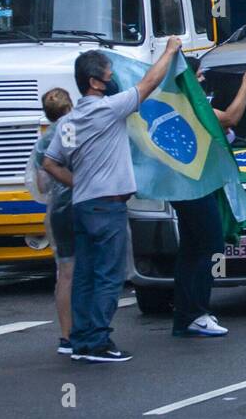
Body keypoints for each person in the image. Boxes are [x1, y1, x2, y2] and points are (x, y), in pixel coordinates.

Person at [42, 37, 184, 363]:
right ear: (94, 83)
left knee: (84, 275)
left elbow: (50, 163)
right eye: (109, 77)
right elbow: (149, 83)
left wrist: (78, 183)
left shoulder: (69, 122)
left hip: (82, 205)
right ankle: (98, 343)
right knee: (108, 275)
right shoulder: (108, 109)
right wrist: (170, 51)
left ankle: (80, 340)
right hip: (108, 206)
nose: (112, 81)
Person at [170, 62, 246, 337]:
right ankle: (196, 312)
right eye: (198, 77)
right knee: (210, 245)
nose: (202, 82)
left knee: (190, 249)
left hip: (186, 186)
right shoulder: (192, 108)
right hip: (196, 186)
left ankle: (185, 315)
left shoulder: (175, 105)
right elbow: (231, 117)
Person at [32, 88, 75, 355]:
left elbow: (41, 184)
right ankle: (88, 329)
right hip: (81, 204)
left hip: (58, 210)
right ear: (70, 107)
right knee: (91, 269)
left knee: (65, 273)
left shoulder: (43, 141)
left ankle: (66, 335)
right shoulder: (74, 131)